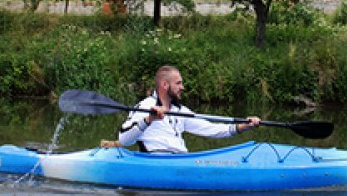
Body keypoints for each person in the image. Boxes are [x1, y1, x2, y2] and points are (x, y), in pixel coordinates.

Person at [100, 65, 260, 153]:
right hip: (156, 163)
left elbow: (210, 128)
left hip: (180, 160)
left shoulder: (180, 110)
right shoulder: (146, 106)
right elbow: (124, 140)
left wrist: (242, 126)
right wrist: (149, 120)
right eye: (178, 83)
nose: (182, 87)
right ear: (164, 85)